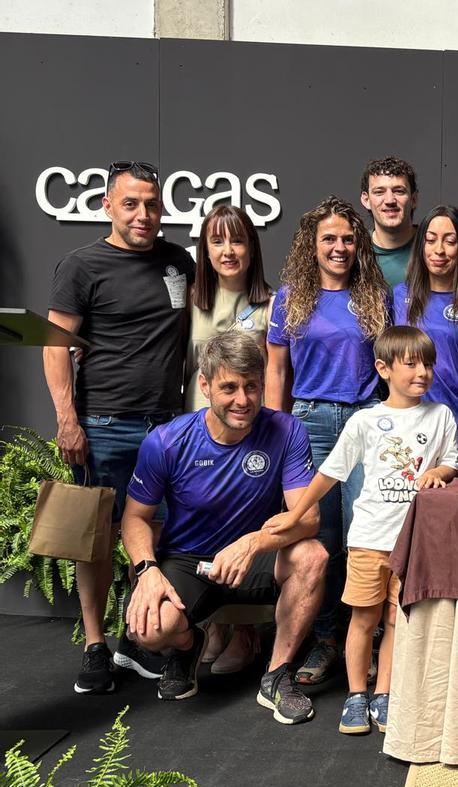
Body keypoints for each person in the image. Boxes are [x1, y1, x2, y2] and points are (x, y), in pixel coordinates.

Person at [43, 160, 194, 694]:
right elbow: (55, 344)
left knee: (160, 536)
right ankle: (95, 645)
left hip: (167, 427)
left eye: (152, 204)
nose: (143, 214)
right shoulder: (82, 265)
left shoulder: (178, 261)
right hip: (103, 423)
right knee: (98, 541)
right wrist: (69, 420)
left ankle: (144, 638)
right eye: (130, 203)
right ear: (106, 205)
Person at [121, 330, 326, 723]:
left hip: (258, 559)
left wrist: (252, 542)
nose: (243, 400)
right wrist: (147, 570)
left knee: (312, 556)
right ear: (205, 385)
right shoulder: (165, 442)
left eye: (252, 386)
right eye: (229, 387)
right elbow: (134, 518)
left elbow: (308, 518)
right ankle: (187, 646)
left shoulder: (287, 430)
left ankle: (276, 676)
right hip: (189, 559)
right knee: (151, 629)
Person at [265, 326, 458, 735]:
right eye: (411, 364)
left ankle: (383, 693)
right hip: (370, 540)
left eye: (427, 363)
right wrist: (297, 513)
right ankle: (356, 695)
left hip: (412, 543)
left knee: (395, 620)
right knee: (362, 620)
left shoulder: (441, 415)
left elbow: (451, 462)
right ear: (383, 369)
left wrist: (437, 473)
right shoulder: (365, 421)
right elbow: (330, 473)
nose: (422, 372)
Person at [266, 196, 391, 686]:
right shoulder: (290, 296)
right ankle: (324, 642)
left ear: (358, 244)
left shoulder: (373, 297)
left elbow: (392, 364)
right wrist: (274, 434)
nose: (339, 247)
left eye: (347, 238)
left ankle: (373, 639)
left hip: (364, 422)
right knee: (321, 536)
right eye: (329, 239)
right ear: (311, 245)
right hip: (309, 419)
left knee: (367, 536)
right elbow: (276, 369)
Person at [187, 204, 273, 675]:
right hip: (197, 433)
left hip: (247, 433)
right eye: (217, 241)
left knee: (243, 529)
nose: (227, 250)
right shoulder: (192, 300)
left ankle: (245, 630)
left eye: (236, 240)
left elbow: (277, 373)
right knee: (199, 528)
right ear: (205, 248)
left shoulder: (271, 304)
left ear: (251, 247)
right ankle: (212, 623)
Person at [393, 205, 458, 477]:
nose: (439, 250)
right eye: (430, 240)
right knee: (409, 520)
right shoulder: (398, 297)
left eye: (450, 241)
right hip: (406, 429)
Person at [360, 157, 420, 290]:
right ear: (366, 200)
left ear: (414, 199)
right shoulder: (354, 252)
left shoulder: (434, 249)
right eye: (379, 192)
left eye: (399, 191)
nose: (389, 200)